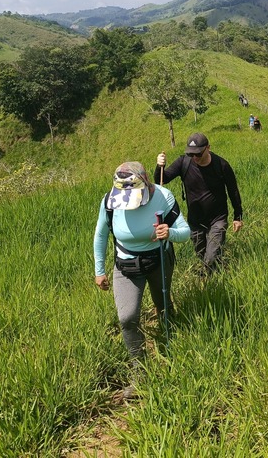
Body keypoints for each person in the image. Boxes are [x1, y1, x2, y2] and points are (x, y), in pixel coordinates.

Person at [93, 161, 190, 394]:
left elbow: (185, 232)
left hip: (158, 260)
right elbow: (101, 234)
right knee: (127, 318)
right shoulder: (109, 201)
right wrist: (99, 270)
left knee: (164, 306)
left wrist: (170, 232)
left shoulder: (163, 197)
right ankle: (139, 371)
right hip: (126, 266)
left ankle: (172, 348)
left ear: (145, 182)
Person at [156, 133, 243, 276]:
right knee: (202, 254)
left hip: (218, 219)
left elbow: (233, 191)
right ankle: (217, 275)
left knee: (211, 257)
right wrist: (160, 165)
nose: (195, 157)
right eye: (191, 154)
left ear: (208, 148)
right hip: (195, 220)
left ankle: (209, 282)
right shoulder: (184, 162)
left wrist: (238, 216)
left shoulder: (221, 165)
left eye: (198, 154)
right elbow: (162, 179)